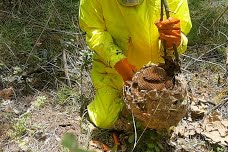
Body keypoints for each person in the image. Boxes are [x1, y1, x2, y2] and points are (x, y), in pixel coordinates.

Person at [79, 0, 192, 129]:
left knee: (163, 120)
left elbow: (180, 30)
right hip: (114, 71)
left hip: (158, 72)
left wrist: (172, 42)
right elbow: (94, 30)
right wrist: (117, 61)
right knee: (106, 119)